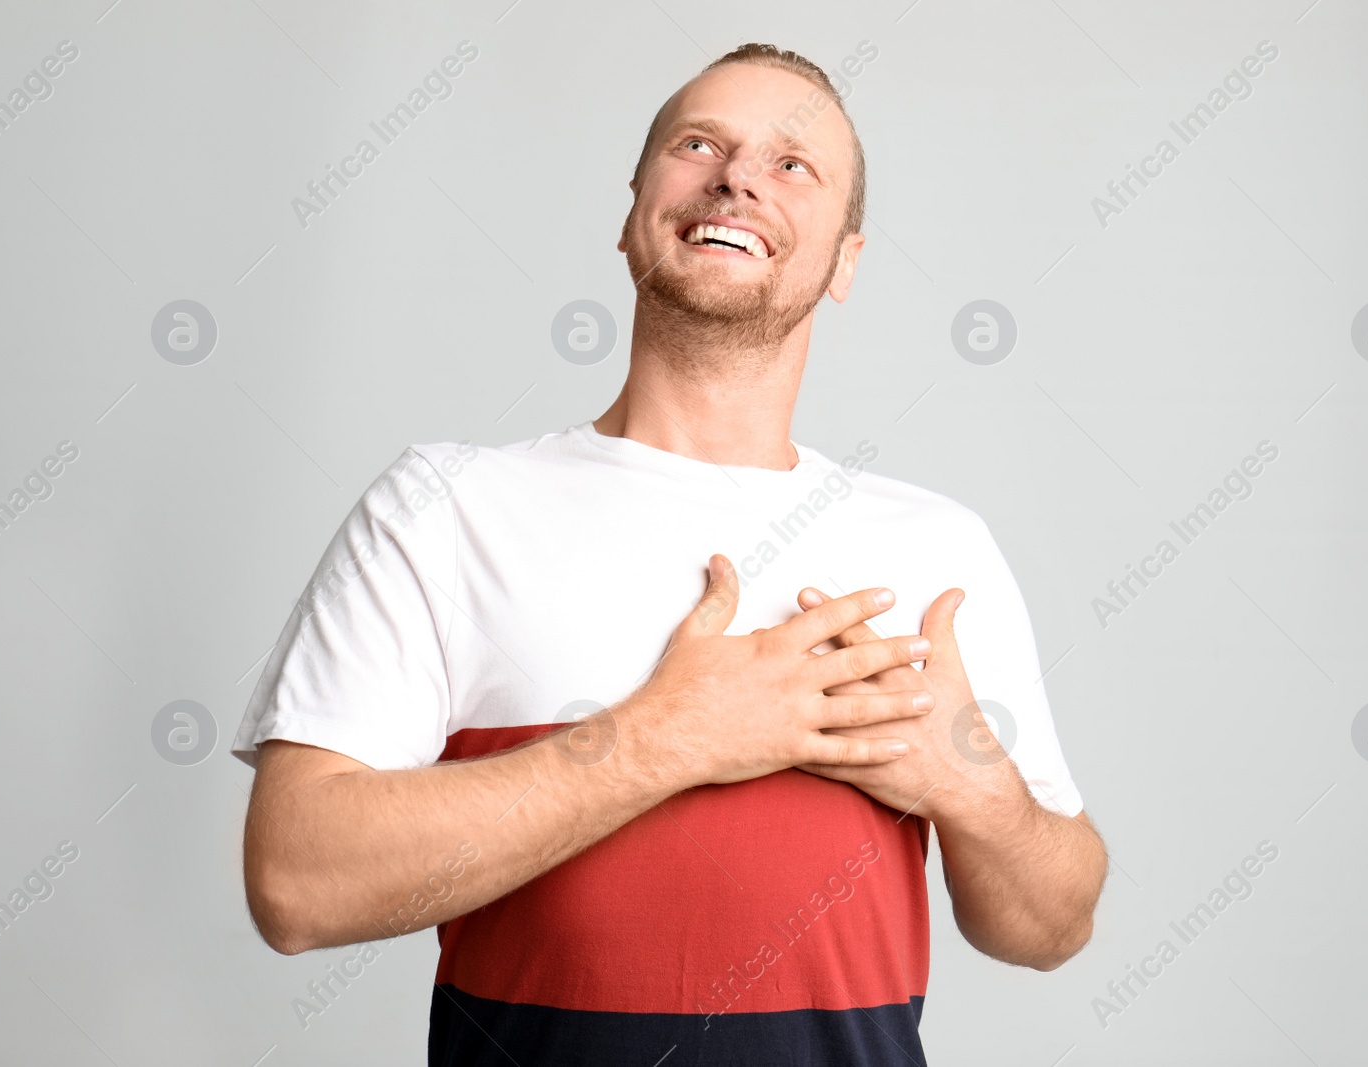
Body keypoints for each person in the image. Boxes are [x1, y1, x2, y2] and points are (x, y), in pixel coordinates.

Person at [235, 41, 1108, 1066]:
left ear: (845, 262)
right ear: (632, 212)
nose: (735, 176)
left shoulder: (934, 548)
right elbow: (297, 885)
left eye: (793, 164)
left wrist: (967, 783)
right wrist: (663, 738)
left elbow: (1050, 926)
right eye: (698, 144)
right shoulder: (444, 507)